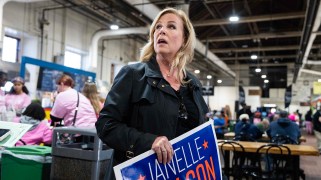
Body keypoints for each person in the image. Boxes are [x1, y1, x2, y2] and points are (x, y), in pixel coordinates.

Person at [95, 7, 209, 168]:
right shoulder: (133, 75)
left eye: (171, 26)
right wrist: (149, 141)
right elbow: (106, 125)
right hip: (141, 172)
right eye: (158, 27)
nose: (161, 31)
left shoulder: (193, 84)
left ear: (185, 39)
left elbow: (201, 129)